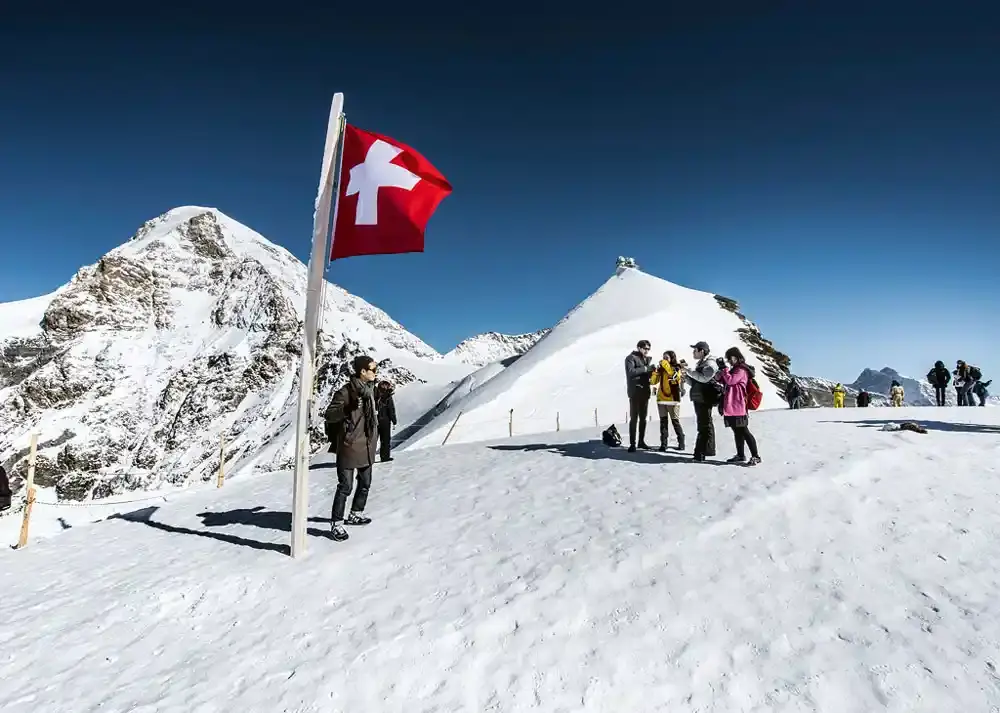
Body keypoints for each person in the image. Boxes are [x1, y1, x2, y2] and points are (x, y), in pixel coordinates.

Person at [324, 355, 379, 542]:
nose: (376, 373)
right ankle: (336, 523)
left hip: (367, 444)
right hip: (349, 446)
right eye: (373, 369)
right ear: (362, 371)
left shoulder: (371, 391)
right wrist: (347, 409)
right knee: (345, 486)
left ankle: (355, 513)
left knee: (365, 483)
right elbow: (330, 414)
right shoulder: (346, 392)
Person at [715, 347, 762, 466]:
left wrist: (724, 369)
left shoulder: (741, 370)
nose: (729, 361)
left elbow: (731, 381)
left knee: (744, 431)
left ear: (736, 357)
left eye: (729, 358)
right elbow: (721, 379)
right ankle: (740, 454)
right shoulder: (733, 369)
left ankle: (756, 456)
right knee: (737, 431)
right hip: (731, 406)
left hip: (738, 405)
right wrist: (720, 371)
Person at [683, 341, 719, 462]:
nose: (693, 352)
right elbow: (696, 382)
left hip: (704, 398)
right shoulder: (703, 363)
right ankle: (708, 450)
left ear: (702, 351)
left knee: (704, 426)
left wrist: (688, 370)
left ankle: (700, 453)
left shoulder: (710, 364)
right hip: (700, 397)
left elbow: (704, 379)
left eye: (695, 350)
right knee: (705, 424)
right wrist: (686, 377)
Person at [650, 350, 685, 451]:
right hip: (661, 399)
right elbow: (653, 382)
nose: (664, 360)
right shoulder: (661, 369)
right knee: (663, 422)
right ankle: (663, 444)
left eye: (667, 358)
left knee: (675, 421)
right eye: (663, 357)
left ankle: (681, 441)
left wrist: (665, 364)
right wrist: (655, 372)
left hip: (673, 399)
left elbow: (674, 377)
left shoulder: (676, 368)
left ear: (672, 358)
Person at [624, 340, 657, 452]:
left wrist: (652, 372)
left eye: (648, 349)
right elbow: (631, 372)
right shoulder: (630, 358)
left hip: (645, 391)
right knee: (634, 418)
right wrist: (646, 369)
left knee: (643, 418)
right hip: (635, 391)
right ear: (639, 348)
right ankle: (632, 444)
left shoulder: (646, 359)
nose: (646, 351)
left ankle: (641, 442)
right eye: (645, 348)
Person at [374, 380, 397, 462]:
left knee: (372, 440)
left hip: (374, 420)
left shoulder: (374, 395)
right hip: (385, 421)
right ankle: (385, 457)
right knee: (385, 440)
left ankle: (367, 458)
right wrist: (394, 420)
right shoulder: (388, 396)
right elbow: (391, 409)